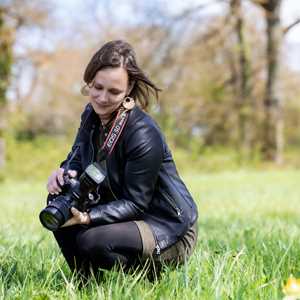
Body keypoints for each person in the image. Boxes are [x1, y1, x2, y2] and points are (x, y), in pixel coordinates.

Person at [46, 40, 198, 278]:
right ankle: (86, 284)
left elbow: (137, 204)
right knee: (59, 202)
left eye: (114, 91)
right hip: (123, 217)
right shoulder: (90, 115)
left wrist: (87, 217)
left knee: (91, 240)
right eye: (97, 87)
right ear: (89, 82)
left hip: (165, 226)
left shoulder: (142, 133)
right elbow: (76, 159)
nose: (103, 98)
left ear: (129, 89)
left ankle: (150, 278)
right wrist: (63, 172)